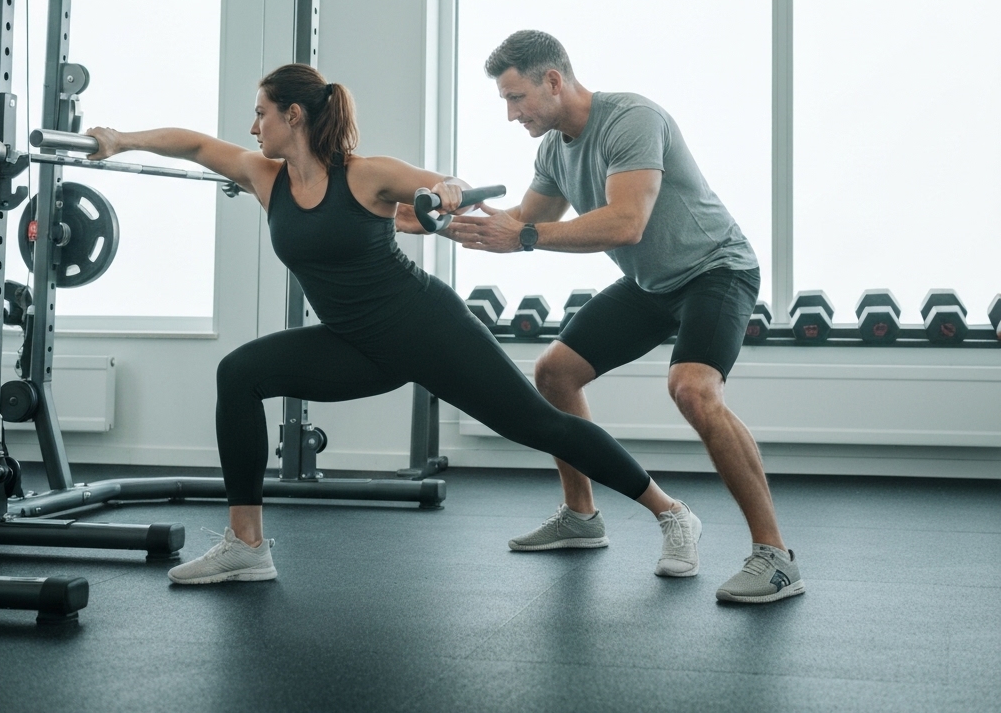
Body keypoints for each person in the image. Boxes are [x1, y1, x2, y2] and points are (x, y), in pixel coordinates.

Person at [86, 63, 702, 586]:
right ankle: (246, 546)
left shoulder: (364, 174)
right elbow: (194, 146)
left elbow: (445, 185)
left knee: (540, 426)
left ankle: (670, 512)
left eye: (260, 113)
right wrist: (120, 140)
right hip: (356, 344)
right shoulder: (263, 177)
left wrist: (449, 194)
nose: (253, 128)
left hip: (426, 328)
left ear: (293, 116)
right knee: (239, 373)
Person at [446, 30, 805, 604]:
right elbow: (522, 221)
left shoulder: (631, 120)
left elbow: (625, 223)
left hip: (715, 269)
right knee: (555, 373)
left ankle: (776, 557)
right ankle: (581, 516)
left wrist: (526, 235)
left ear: (553, 81)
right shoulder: (554, 149)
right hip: (651, 283)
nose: (512, 114)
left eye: (516, 98)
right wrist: (439, 221)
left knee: (693, 390)